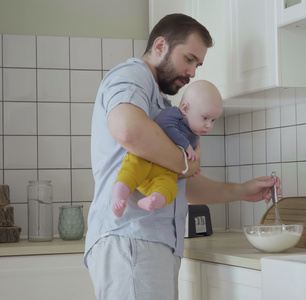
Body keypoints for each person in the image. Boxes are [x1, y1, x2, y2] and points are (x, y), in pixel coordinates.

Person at [85, 13, 280, 300]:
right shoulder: (132, 75)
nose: (193, 72)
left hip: (146, 243)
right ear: (161, 45)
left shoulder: (162, 107)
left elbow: (182, 181)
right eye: (189, 59)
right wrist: (188, 163)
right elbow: (127, 129)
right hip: (131, 239)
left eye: (197, 64)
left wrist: (241, 191)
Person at [111, 80, 223, 217]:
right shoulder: (174, 114)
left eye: (213, 120)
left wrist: (194, 167)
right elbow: (165, 125)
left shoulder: (195, 136)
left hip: (165, 172)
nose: (209, 126)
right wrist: (187, 146)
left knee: (169, 188)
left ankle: (153, 199)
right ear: (185, 108)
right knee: (130, 172)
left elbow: (188, 161)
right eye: (205, 118)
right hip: (146, 159)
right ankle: (119, 198)